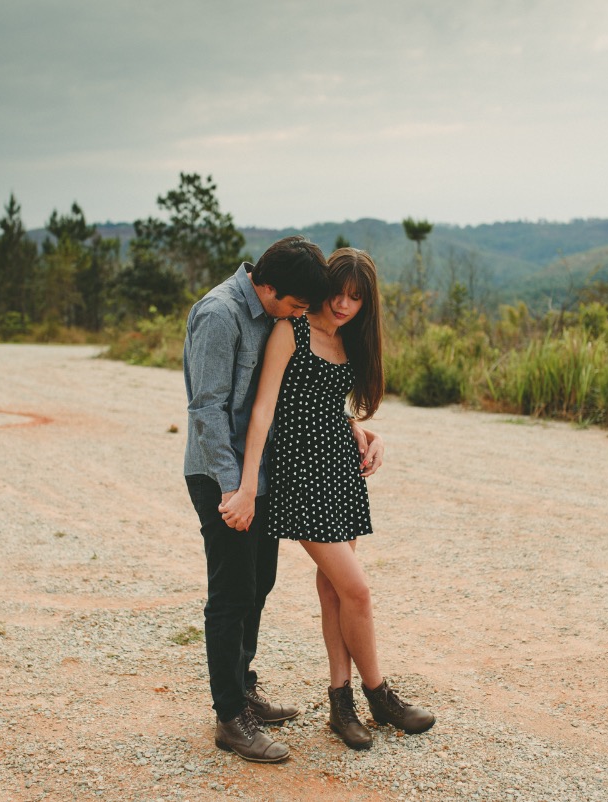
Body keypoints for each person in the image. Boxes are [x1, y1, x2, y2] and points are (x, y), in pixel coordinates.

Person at [221, 247, 434, 751]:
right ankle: (379, 693)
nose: (342, 305)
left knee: (335, 591)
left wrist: (363, 432)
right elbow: (264, 410)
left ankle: (341, 705)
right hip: (301, 477)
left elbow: (326, 407)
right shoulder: (290, 330)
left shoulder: (348, 339)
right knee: (357, 590)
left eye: (355, 299)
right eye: (338, 293)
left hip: (340, 471)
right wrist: (249, 483)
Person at [184, 236, 381, 763]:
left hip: (262, 476)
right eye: (298, 305)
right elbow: (207, 410)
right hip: (223, 477)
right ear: (269, 289)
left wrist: (352, 428)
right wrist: (236, 488)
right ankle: (231, 718)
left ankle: (244, 689)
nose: (304, 314)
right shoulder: (220, 314)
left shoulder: (270, 309)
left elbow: (300, 399)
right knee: (230, 594)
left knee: (258, 584)